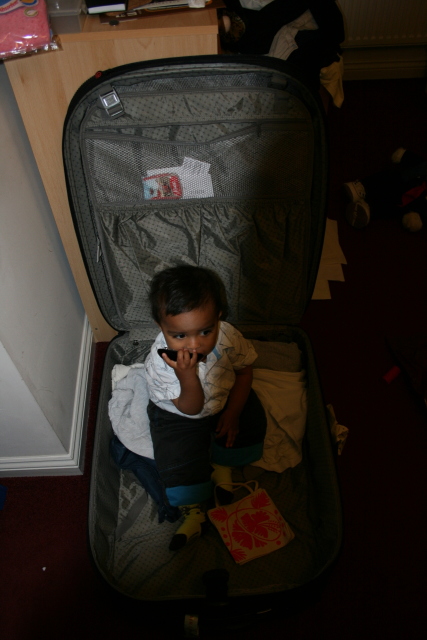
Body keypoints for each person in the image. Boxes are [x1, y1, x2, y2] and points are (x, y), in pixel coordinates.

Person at [144, 265, 267, 551]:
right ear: (161, 327)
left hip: (221, 397)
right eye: (179, 335)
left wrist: (233, 413)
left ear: (219, 317)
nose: (194, 345)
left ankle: (222, 465)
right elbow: (191, 409)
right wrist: (186, 376)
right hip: (178, 411)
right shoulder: (161, 362)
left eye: (205, 331)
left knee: (251, 419)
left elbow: (244, 372)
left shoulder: (228, 336)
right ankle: (193, 509)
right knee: (176, 456)